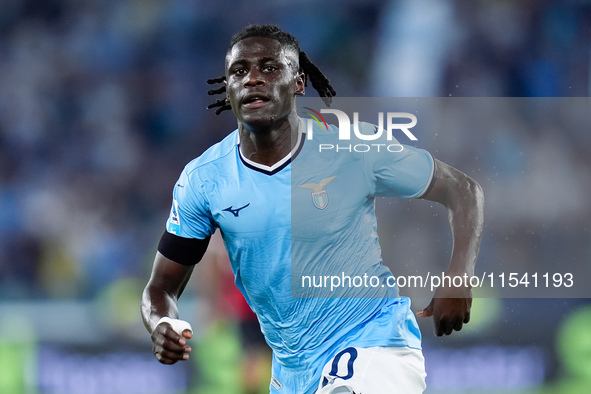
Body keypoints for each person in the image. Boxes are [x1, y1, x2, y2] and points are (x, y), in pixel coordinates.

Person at [141, 24, 484, 394]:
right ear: (228, 88)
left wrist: (459, 273)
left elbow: (462, 189)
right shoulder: (205, 179)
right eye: (239, 72)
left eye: (270, 68)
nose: (253, 79)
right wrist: (162, 322)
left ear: (299, 83)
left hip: (376, 342)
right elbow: (161, 286)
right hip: (291, 372)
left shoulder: (351, 146)